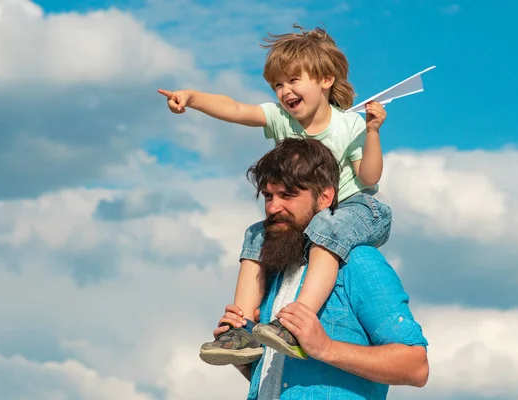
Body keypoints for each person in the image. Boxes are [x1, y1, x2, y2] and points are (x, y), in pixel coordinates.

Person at [158, 24, 392, 361]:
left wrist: (372, 133)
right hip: (314, 215)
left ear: (325, 79)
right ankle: (240, 330)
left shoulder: (349, 125)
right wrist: (192, 98)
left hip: (360, 208)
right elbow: (237, 109)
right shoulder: (281, 118)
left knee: (329, 227)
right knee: (257, 233)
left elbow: (369, 177)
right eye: (278, 84)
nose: (284, 91)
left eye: (293, 80)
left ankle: (296, 324)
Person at [211, 138, 428, 399]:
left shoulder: (358, 262)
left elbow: (416, 367)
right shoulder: (276, 272)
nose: (272, 208)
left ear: (325, 197)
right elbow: (284, 380)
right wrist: (243, 355)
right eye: (268, 196)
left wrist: (325, 348)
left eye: (287, 195)